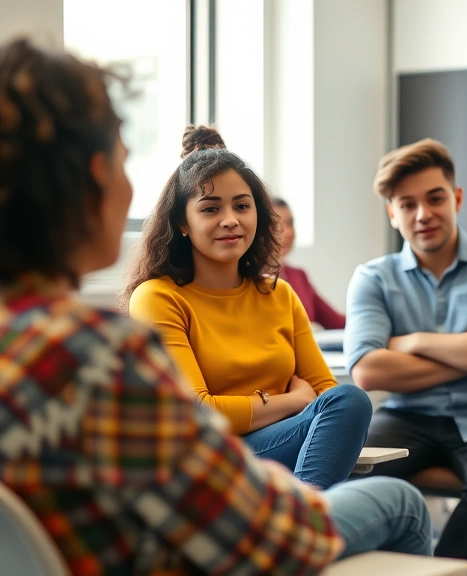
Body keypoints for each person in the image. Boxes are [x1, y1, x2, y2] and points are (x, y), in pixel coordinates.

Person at [0, 38, 430, 575]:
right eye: (124, 161)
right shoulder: (98, 356)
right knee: (401, 502)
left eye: (242, 205)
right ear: (95, 177)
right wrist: (285, 424)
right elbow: (245, 534)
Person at [122, 125, 369, 490]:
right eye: (210, 208)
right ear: (182, 223)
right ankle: (303, 526)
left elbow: (326, 394)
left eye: (242, 205)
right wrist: (291, 400)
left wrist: (271, 407)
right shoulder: (157, 297)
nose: (231, 220)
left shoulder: (280, 294)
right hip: (210, 462)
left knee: (351, 403)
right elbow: (198, 414)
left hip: (280, 448)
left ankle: (299, 523)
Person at [346, 138, 467, 561]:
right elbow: (367, 370)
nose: (423, 214)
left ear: (457, 198)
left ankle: (445, 571)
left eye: (435, 199)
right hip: (406, 416)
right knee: (347, 471)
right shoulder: (373, 277)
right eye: (407, 204)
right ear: (392, 213)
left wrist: (412, 343)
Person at [273, 197, 347, 330]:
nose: (289, 232)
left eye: (290, 224)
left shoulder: (298, 276)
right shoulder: (244, 278)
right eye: (277, 225)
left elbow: (335, 321)